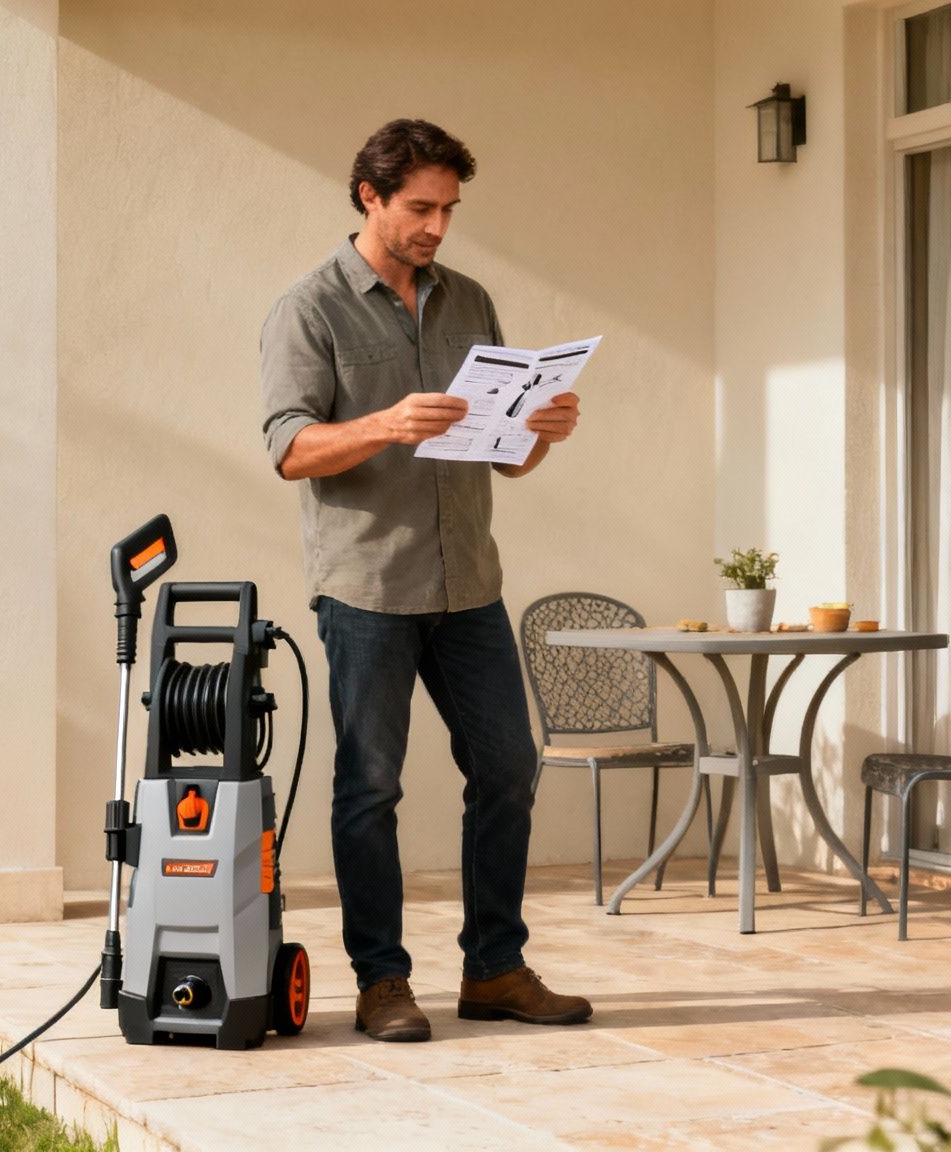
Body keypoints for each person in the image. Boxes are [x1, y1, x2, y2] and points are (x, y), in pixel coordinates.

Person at [258, 118, 591, 1043]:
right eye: (420, 207)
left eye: (449, 208)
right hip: (367, 586)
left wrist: (541, 432)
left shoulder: (470, 301)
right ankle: (381, 981)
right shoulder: (310, 307)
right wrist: (385, 424)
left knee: (508, 769)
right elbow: (289, 447)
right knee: (370, 786)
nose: (437, 225)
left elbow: (504, 455)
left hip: (469, 582)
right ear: (369, 195)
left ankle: (495, 968)